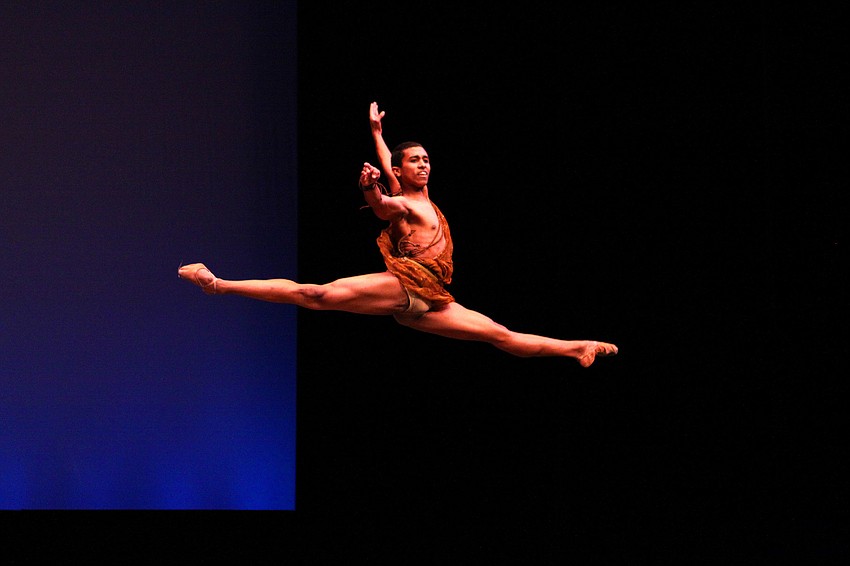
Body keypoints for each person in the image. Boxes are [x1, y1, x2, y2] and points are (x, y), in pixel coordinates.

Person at [178, 102, 618, 368]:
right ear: (401, 172)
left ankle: (577, 347)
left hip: (432, 300)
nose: (424, 164)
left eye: (427, 159)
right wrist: (371, 189)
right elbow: (384, 206)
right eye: (415, 161)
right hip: (405, 286)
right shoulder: (403, 204)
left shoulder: (424, 196)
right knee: (315, 295)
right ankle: (218, 284)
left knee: (498, 335)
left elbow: (390, 162)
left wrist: (377, 134)